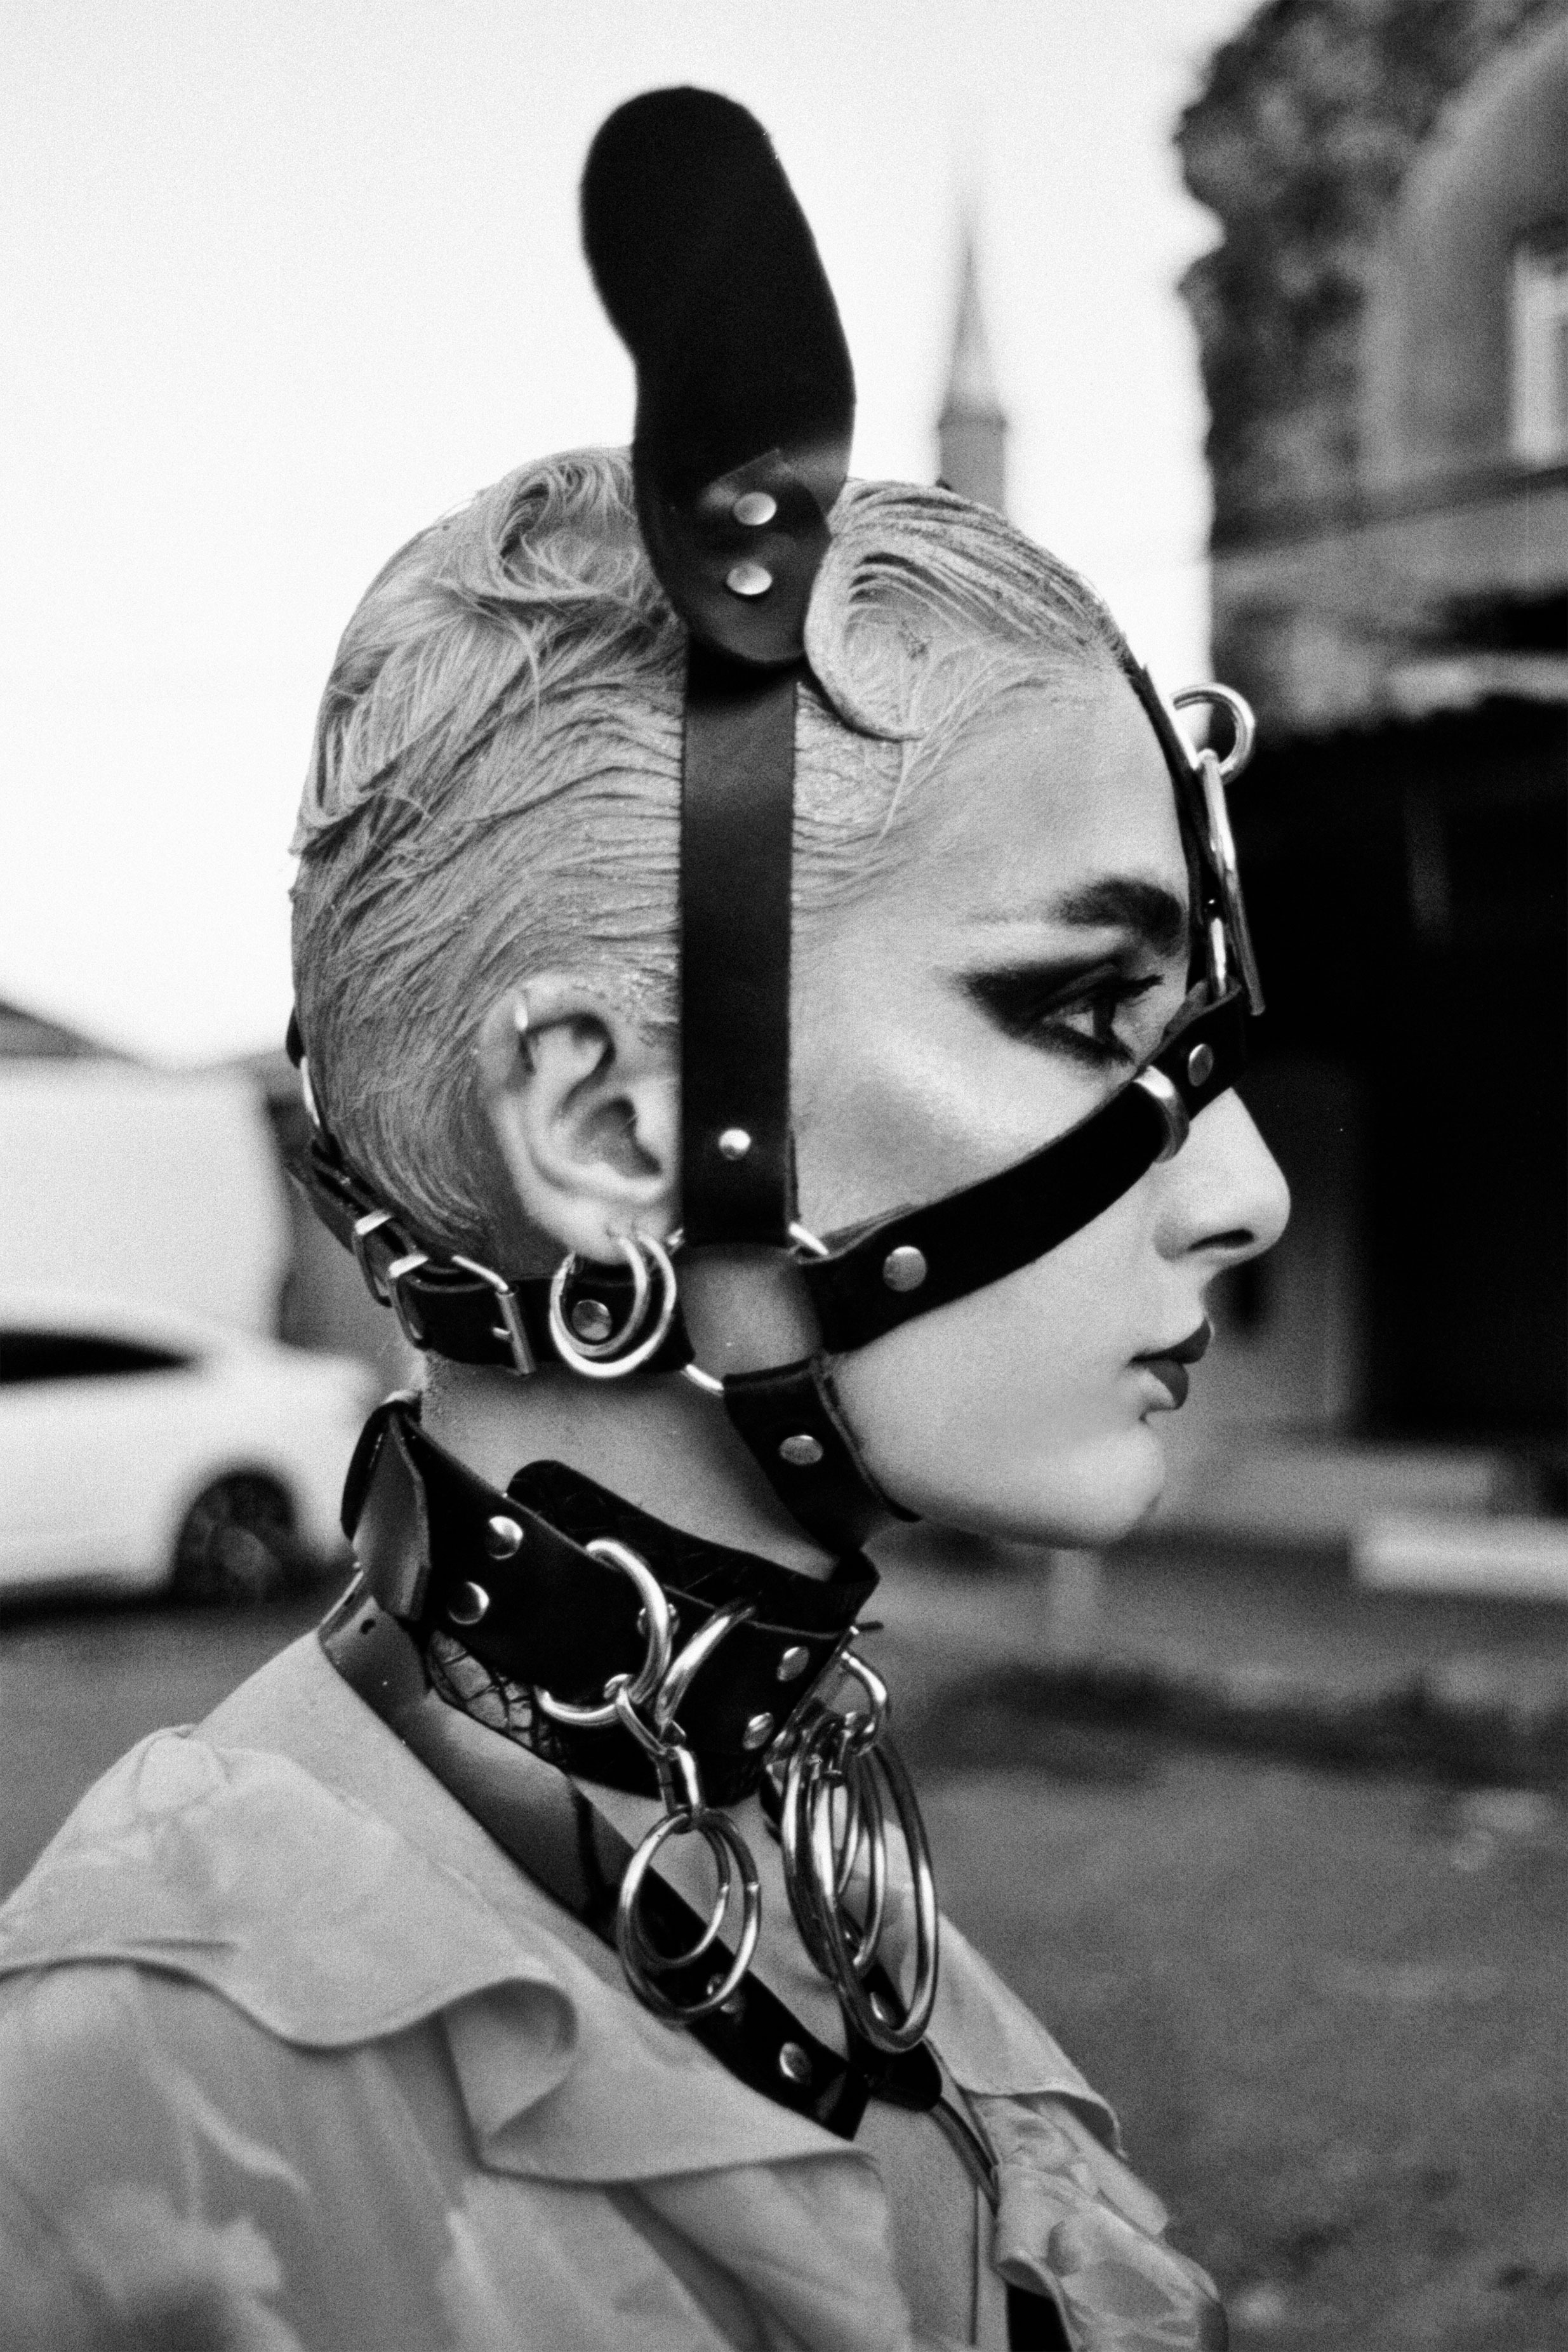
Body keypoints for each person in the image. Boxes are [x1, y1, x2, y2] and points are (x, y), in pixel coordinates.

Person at [0, 91, 1287, 2352]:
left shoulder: (800, 1851)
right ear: (608, 1125)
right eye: (1080, 1007)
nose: (1243, 1182)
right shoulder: (133, 2101)